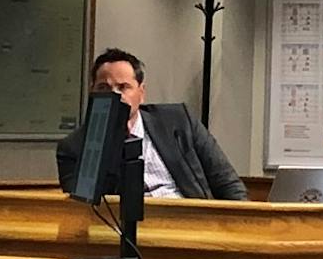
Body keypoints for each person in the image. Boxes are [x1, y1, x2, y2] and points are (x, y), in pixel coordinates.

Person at [55, 48, 248, 200]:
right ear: (93, 93)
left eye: (123, 87)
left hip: (190, 222)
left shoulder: (179, 120)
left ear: (141, 92)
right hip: (125, 232)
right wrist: (109, 139)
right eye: (104, 88)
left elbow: (228, 183)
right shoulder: (74, 147)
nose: (114, 95)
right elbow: (85, 209)